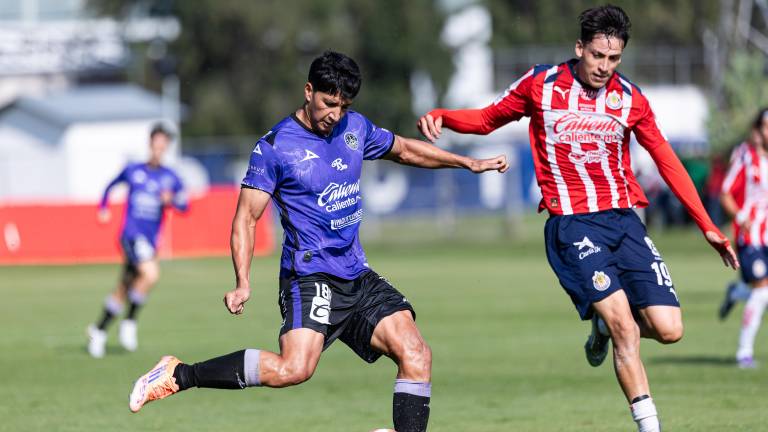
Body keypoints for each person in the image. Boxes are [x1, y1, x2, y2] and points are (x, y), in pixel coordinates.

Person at [127, 51, 508, 432]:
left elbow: (405, 150)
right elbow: (246, 217)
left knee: (416, 353)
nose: (335, 115)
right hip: (309, 276)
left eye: (344, 106)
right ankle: (179, 374)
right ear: (308, 91)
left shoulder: (355, 128)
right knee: (293, 369)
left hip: (356, 274)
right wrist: (242, 281)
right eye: (328, 103)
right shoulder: (275, 147)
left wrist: (467, 163)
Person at [417, 5, 738, 431]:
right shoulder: (541, 84)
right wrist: (443, 116)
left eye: (614, 58)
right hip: (573, 225)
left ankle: (601, 326)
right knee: (626, 329)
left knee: (669, 328)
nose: (605, 66)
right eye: (598, 56)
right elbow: (488, 119)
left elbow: (667, 161)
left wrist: (707, 225)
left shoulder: (631, 99)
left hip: (624, 222)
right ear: (580, 48)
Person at [86, 124, 188, 358]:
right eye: (156, 144)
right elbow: (110, 186)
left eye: (163, 146)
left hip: (150, 241)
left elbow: (185, 206)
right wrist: (103, 208)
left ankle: (98, 331)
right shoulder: (133, 170)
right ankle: (129, 322)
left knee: (124, 287)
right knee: (151, 274)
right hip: (131, 235)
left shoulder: (170, 177)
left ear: (166, 148)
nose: (158, 149)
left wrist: (171, 201)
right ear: (150, 144)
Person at [719, 108, 768, 368]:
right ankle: (744, 353)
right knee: (762, 290)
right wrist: (740, 217)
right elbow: (725, 193)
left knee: (763, 293)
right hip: (750, 236)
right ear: (759, 130)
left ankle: (737, 292)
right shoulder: (746, 157)